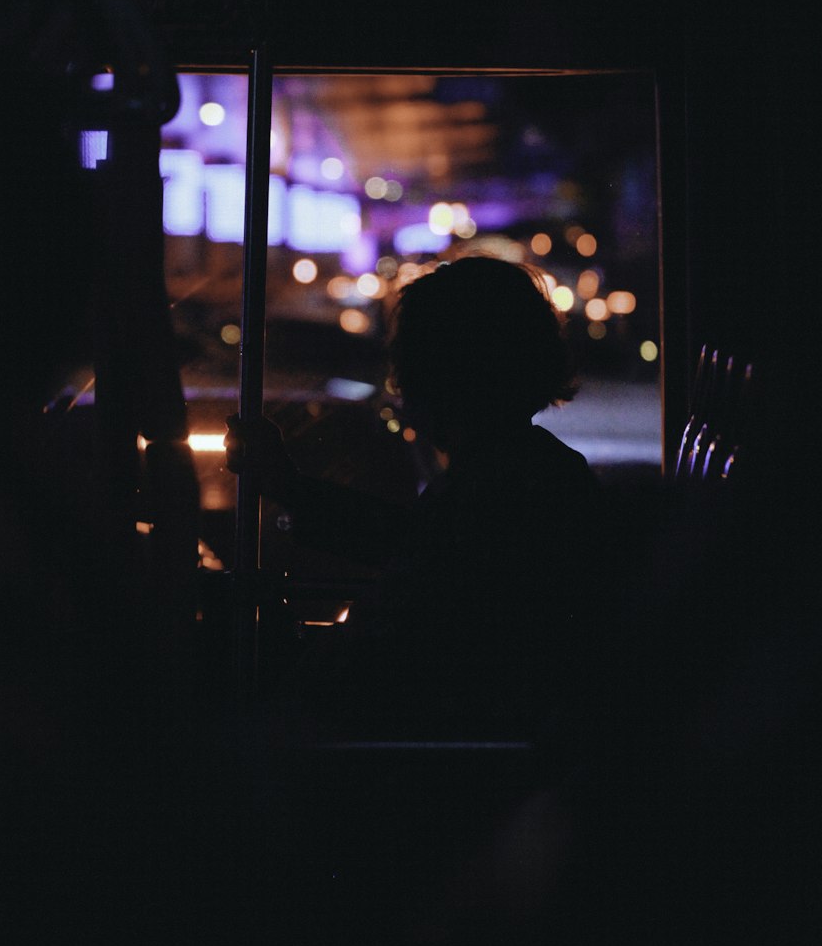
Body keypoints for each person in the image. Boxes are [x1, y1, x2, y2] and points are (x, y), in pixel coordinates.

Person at [226, 254, 611, 740]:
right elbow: (417, 546)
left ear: (451, 373)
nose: (400, 388)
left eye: (409, 363)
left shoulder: (501, 490)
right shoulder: (528, 474)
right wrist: (289, 487)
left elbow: (399, 652)